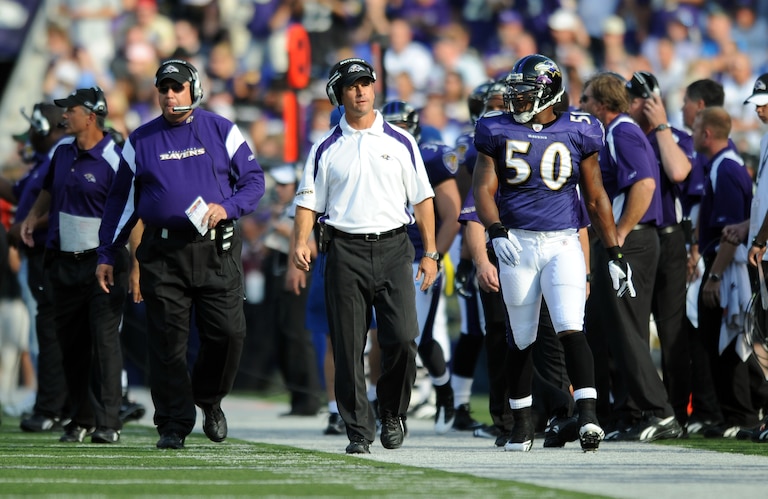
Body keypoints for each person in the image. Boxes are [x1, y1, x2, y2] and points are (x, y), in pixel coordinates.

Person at [95, 59, 265, 450]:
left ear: (194, 90)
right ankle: (172, 423)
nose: (170, 95)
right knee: (168, 343)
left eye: (177, 87)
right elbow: (122, 200)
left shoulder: (221, 129)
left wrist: (229, 207)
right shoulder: (140, 140)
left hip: (214, 248)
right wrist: (107, 252)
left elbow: (254, 181)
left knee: (228, 333)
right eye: (164, 89)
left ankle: (209, 398)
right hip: (162, 252)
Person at [472, 54, 629, 452]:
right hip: (518, 242)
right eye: (515, 94)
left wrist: (614, 253)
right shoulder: (494, 128)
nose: (516, 102)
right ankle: (522, 423)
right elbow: (483, 189)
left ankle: (589, 417)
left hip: (562, 241)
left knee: (570, 326)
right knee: (521, 336)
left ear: (550, 95)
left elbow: (596, 196)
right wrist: (496, 231)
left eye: (526, 95)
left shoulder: (581, 129)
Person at [293, 57, 438, 454]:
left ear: (374, 88)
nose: (360, 91)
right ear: (339, 94)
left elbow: (423, 199)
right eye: (352, 85)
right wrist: (300, 241)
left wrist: (431, 252)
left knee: (404, 339)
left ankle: (392, 412)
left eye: (366, 83)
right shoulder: (325, 148)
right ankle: (358, 430)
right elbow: (307, 202)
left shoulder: (401, 140)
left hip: (395, 247)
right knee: (347, 346)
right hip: (344, 249)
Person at [580, 72, 682, 442]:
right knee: (620, 330)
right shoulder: (615, 131)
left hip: (632, 242)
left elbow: (644, 184)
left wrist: (618, 233)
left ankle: (660, 411)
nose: (581, 105)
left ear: (603, 104)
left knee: (626, 331)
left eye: (587, 99)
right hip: (629, 242)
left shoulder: (622, 131)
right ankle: (634, 411)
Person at [20, 87, 126, 444]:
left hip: (102, 263)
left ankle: (108, 420)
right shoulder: (62, 152)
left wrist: (136, 267)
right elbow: (49, 188)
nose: (64, 116)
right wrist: (34, 217)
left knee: (104, 343)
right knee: (70, 344)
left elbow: (133, 214)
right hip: (63, 260)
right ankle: (80, 418)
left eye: (71, 110)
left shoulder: (115, 157)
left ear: (91, 116)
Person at [381, 99, 462, 434]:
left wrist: (433, 256)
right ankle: (382, 403)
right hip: (382, 256)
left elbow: (453, 217)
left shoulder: (429, 158)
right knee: (383, 337)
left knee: (418, 338)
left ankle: (443, 393)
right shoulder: (372, 153)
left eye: (401, 126)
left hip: (416, 259)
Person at [626, 71, 695, 430]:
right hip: (638, 237)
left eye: (641, 99)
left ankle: (676, 409)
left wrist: (662, 125)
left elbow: (680, 171)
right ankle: (641, 409)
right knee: (633, 326)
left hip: (669, 237)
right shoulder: (626, 136)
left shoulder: (673, 136)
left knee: (671, 330)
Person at [0, 103, 70, 432]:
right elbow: (17, 193)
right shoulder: (45, 161)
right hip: (38, 254)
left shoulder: (60, 156)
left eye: (34, 127)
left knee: (50, 332)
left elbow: (63, 203)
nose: (30, 134)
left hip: (49, 253)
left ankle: (54, 403)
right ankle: (53, 400)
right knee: (44, 330)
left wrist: (26, 225)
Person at [690, 106, 757, 438]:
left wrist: (714, 277)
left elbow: (729, 233)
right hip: (721, 264)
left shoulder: (726, 168)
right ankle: (731, 414)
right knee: (716, 340)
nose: (691, 133)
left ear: (707, 133)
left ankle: (740, 415)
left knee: (727, 340)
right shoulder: (721, 165)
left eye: (695, 128)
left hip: (728, 268)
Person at [263, 164, 322, 416]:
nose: (279, 189)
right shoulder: (284, 209)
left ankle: (308, 399)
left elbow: (313, 246)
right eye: (278, 184)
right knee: (284, 337)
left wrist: (286, 231)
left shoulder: (305, 207)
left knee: (298, 336)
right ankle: (297, 398)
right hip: (278, 274)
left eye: (285, 185)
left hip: (299, 274)